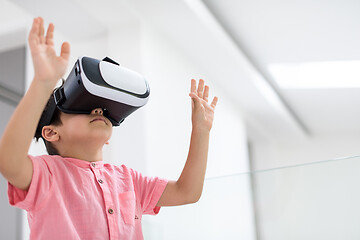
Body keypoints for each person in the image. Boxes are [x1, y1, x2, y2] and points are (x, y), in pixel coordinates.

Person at [0, 17, 218, 239]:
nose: (98, 111)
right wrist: (43, 82)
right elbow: (9, 161)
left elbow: (187, 192)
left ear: (107, 138)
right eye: (83, 106)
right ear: (52, 132)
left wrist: (201, 131)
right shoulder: (46, 175)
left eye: (103, 110)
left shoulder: (128, 179)